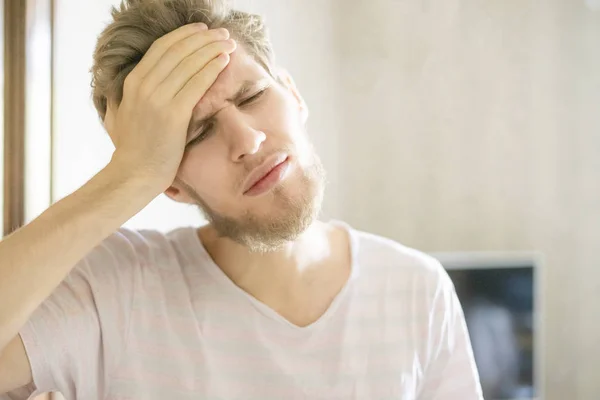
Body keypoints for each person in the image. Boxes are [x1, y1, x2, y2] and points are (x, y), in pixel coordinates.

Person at [0, 0, 483, 398]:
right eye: (200, 132)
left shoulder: (418, 290)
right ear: (170, 183)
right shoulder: (115, 290)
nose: (247, 139)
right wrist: (127, 176)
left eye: (252, 96)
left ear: (292, 94)